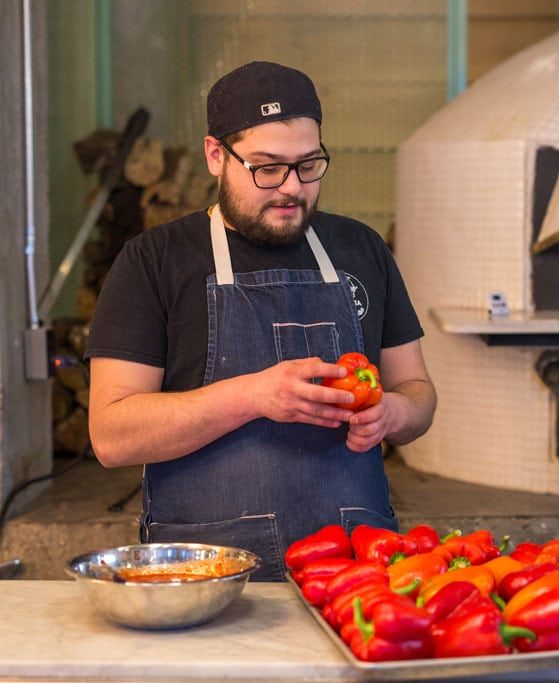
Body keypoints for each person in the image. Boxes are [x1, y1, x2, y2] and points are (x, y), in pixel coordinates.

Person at [85, 61, 437, 581]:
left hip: (356, 575)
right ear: (214, 156)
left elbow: (419, 392)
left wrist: (393, 415)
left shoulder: (361, 249)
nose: (290, 188)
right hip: (203, 577)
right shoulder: (154, 260)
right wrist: (252, 397)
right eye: (266, 168)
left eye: (309, 164)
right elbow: (111, 436)